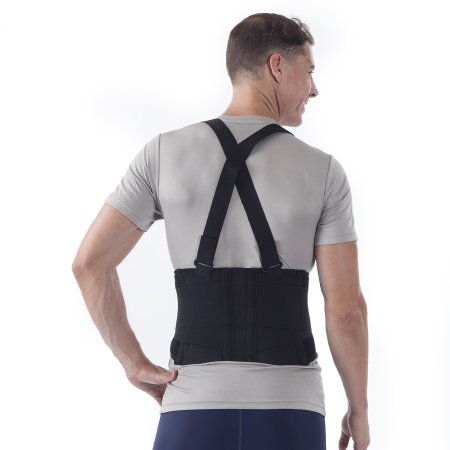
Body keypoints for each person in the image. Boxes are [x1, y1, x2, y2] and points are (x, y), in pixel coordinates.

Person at [72, 12, 370, 450]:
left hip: (192, 405)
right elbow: (345, 310)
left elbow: (89, 264)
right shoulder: (323, 172)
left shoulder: (162, 154)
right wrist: (359, 407)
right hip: (291, 408)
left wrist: (132, 362)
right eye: (309, 71)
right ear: (276, 66)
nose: (314, 89)